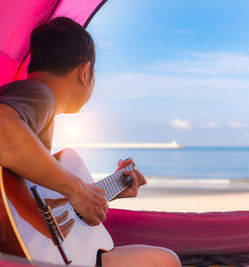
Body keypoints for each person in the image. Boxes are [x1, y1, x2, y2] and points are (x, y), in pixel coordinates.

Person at [0, 17, 181, 267]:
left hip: (32, 250)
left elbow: (40, 200)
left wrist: (100, 193)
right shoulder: (39, 94)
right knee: (165, 261)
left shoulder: (34, 110)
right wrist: (78, 188)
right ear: (85, 73)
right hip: (26, 255)